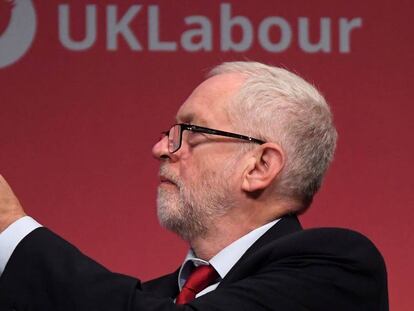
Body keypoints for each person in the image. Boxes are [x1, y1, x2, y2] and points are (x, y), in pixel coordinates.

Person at [0, 61, 388, 310]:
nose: (160, 149)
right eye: (169, 133)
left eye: (189, 131)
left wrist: (9, 228)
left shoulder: (337, 271)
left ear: (260, 165)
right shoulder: (152, 297)